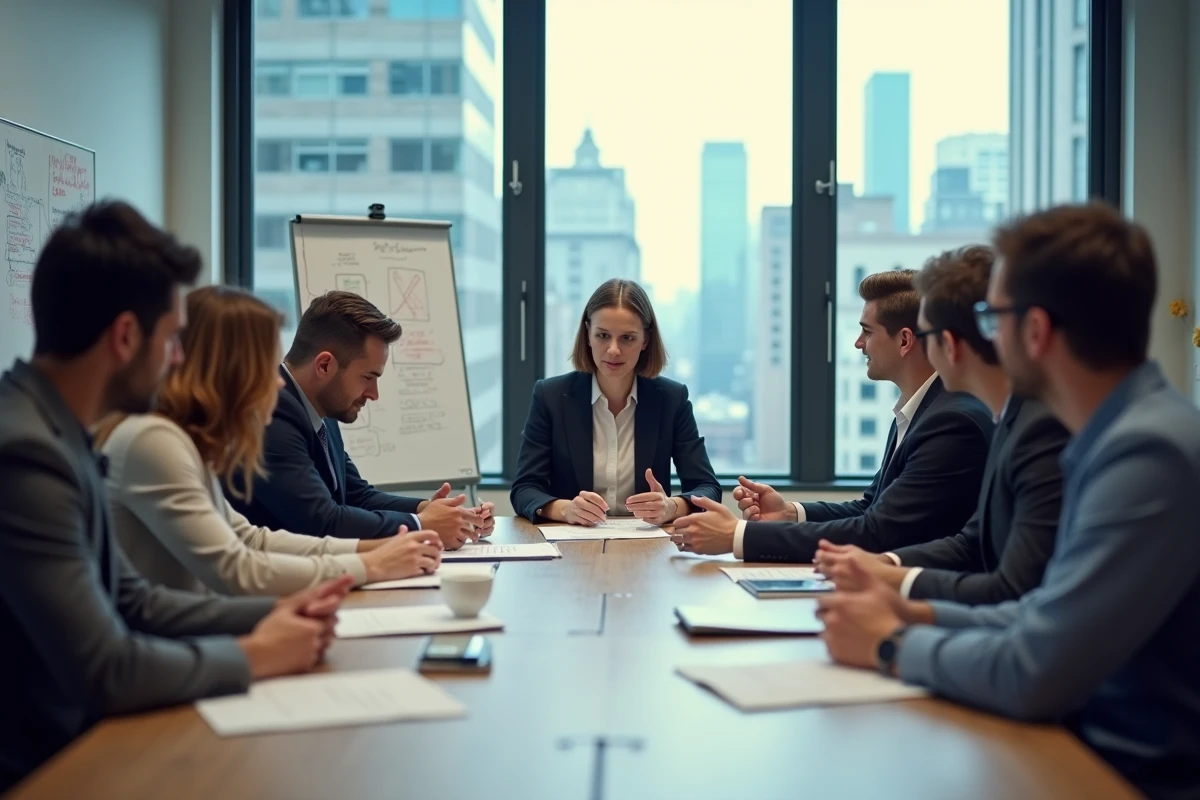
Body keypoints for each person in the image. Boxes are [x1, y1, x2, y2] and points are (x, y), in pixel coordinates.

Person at [817, 204, 1200, 800]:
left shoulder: (1146, 454)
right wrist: (916, 612)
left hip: (1125, 773)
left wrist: (891, 645)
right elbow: (1044, 611)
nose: (981, 338)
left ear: (1036, 330)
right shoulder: (1119, 434)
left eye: (991, 317)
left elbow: (1035, 668)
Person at [0, 201, 351, 791]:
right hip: (48, 768)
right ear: (126, 336)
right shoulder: (27, 454)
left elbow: (134, 601)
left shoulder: (63, 430)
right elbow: (106, 667)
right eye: (171, 339)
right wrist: (259, 655)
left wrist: (273, 613)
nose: (179, 359)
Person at [98, 285, 444, 597]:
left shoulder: (185, 443)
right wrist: (372, 565)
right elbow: (236, 568)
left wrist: (375, 552)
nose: (278, 384)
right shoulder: (154, 441)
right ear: (228, 371)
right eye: (264, 367)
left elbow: (250, 540)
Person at [670, 269, 992, 560]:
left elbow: (876, 532)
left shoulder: (950, 422)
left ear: (905, 340)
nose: (858, 343)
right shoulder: (921, 409)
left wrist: (737, 535)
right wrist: (789, 513)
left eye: (867, 331)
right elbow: (870, 507)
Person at [812, 245, 1068, 605]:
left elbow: (1013, 590)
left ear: (946, 344)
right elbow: (972, 542)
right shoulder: (1013, 418)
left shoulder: (1032, 428)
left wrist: (895, 628)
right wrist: (886, 565)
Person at [226, 291, 494, 549]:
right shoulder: (271, 413)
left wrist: (430, 511)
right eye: (368, 377)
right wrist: (421, 524)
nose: (374, 395)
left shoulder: (320, 411)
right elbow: (322, 521)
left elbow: (358, 496)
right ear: (324, 366)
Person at [510, 278, 720, 525]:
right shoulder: (550, 396)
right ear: (588, 334)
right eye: (602, 335)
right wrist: (565, 509)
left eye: (627, 338)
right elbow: (524, 489)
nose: (613, 350)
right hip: (573, 546)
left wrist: (671, 507)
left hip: (646, 547)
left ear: (646, 340)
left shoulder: (672, 399)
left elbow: (707, 488)